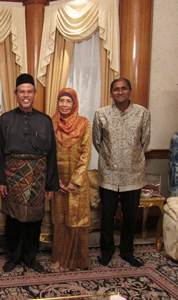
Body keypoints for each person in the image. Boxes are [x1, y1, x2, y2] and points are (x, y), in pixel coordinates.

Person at [0, 73, 59, 273]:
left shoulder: (45, 120)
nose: (26, 95)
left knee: (34, 220)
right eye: (22, 91)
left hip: (38, 177)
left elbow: (52, 154)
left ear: (35, 94)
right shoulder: (5, 119)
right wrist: (1, 180)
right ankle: (13, 257)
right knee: (13, 219)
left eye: (29, 91)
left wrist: (50, 184)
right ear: (15, 94)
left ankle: (31, 257)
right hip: (13, 176)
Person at [92, 78, 151, 267]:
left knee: (129, 216)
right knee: (107, 216)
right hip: (108, 173)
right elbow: (97, 141)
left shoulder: (142, 113)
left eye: (123, 88)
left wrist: (130, 158)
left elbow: (145, 141)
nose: (119, 92)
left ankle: (127, 251)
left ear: (130, 91)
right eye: (116, 89)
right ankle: (107, 250)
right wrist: (111, 158)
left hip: (133, 174)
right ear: (111, 93)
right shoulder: (101, 114)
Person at [51, 88, 92, 271]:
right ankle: (59, 258)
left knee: (76, 220)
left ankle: (76, 260)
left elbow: (86, 153)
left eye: (68, 101)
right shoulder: (51, 123)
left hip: (78, 183)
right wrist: (55, 180)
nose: (64, 105)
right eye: (61, 101)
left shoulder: (84, 123)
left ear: (74, 103)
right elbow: (48, 153)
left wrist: (75, 181)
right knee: (60, 221)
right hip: (58, 182)